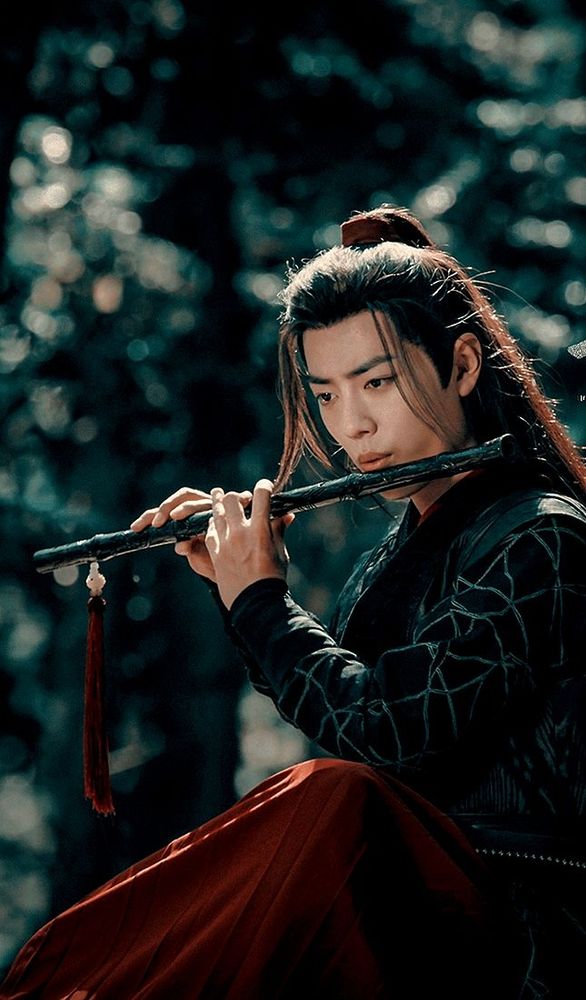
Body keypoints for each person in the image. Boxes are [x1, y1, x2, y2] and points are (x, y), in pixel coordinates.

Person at [2, 205, 585, 999]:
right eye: (327, 395)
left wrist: (262, 602)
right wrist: (237, 585)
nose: (354, 426)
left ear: (462, 363)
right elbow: (342, 713)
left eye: (377, 382)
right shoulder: (396, 554)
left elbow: (386, 733)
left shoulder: (543, 537)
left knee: (327, 799)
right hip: (406, 905)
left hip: (524, 927)